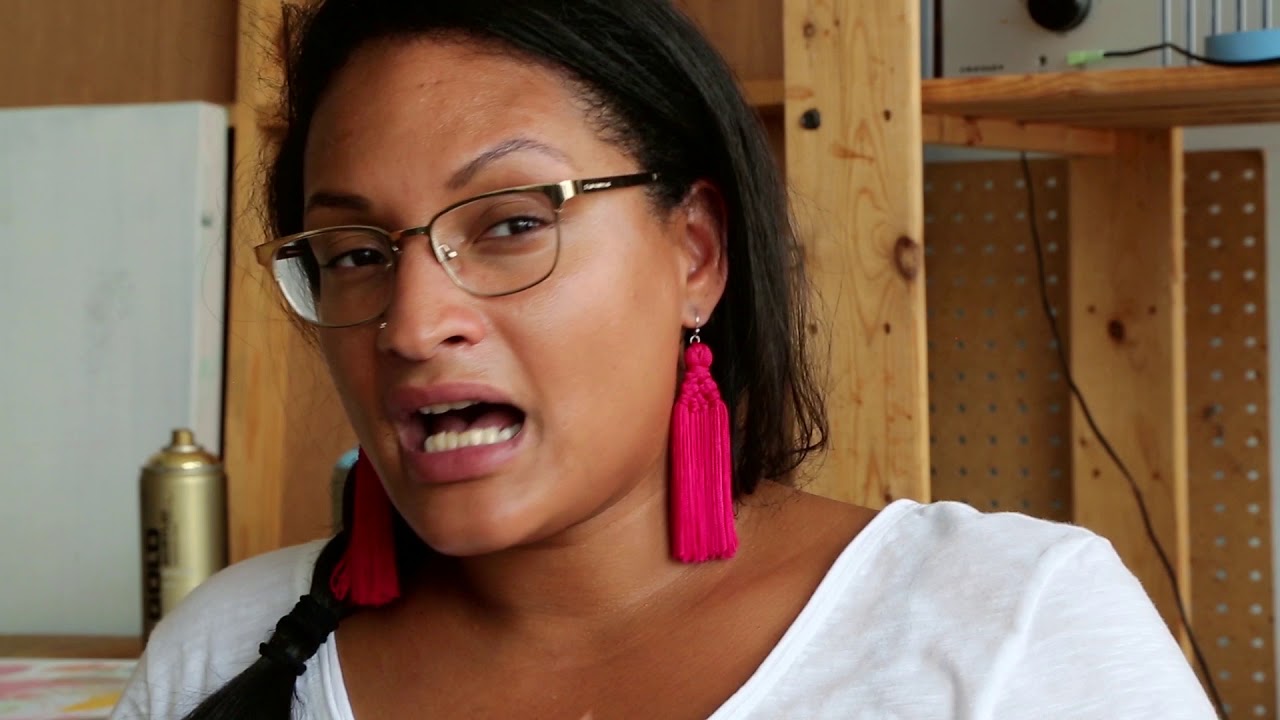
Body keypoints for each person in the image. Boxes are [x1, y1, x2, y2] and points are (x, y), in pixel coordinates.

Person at [111, 1, 1218, 718]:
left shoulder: (1010, 629)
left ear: (694, 253)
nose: (411, 322)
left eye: (511, 224)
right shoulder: (223, 650)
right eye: (356, 253)